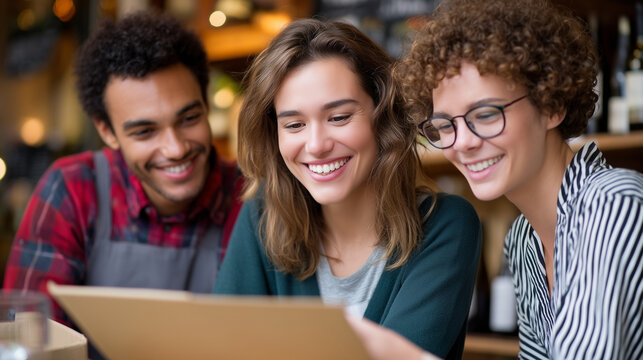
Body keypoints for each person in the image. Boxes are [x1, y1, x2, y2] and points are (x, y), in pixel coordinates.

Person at [353, 0, 643, 359]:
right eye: (445, 126)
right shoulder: (524, 241)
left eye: (486, 114)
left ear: (552, 105)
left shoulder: (613, 203)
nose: (463, 143)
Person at [212, 18, 482, 360]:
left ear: (381, 115)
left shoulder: (445, 225)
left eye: (339, 117)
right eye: (294, 124)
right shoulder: (262, 214)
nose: (316, 145)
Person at [3, 12, 243, 326]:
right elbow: (30, 333)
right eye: (145, 132)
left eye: (189, 119)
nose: (176, 148)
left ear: (206, 106)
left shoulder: (249, 195)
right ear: (107, 132)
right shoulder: (73, 188)